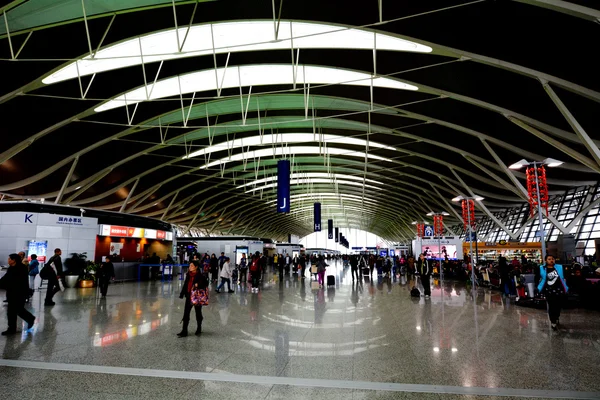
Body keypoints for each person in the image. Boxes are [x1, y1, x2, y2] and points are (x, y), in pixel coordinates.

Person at [0, 254, 35, 335]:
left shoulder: (21, 268)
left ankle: (30, 319)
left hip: (19, 293)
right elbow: (5, 278)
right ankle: (12, 329)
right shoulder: (11, 268)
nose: (8, 260)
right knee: (12, 311)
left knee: (18, 310)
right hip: (12, 293)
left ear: (14, 260)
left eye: (9, 259)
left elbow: (16, 281)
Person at [178, 260, 208, 337]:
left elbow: (206, 283)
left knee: (198, 313)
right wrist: (182, 293)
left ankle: (199, 327)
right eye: (189, 266)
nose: (190, 267)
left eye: (191, 266)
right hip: (189, 296)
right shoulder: (188, 274)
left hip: (196, 297)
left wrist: (198, 284)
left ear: (196, 267)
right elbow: (185, 284)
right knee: (186, 313)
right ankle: (184, 330)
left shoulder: (200, 275)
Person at [537, 255, 568, 330]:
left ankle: (557, 317)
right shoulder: (542, 268)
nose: (551, 260)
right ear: (545, 260)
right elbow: (538, 278)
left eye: (553, 259)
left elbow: (564, 277)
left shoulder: (560, 267)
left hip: (559, 290)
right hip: (549, 290)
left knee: (558, 306)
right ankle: (553, 321)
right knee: (551, 306)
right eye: (549, 259)